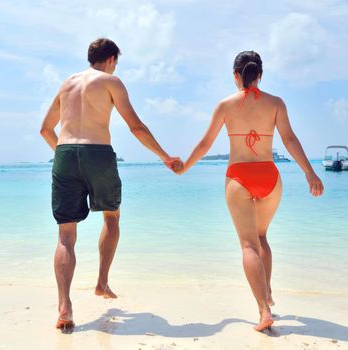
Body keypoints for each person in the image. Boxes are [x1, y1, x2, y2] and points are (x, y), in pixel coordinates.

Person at [40, 38, 182, 330]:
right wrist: (165, 156)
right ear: (112, 59)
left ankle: (64, 306)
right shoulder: (110, 81)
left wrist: (65, 156)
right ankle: (102, 282)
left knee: (66, 236)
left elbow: (45, 129)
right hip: (98, 153)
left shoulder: (67, 84)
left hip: (65, 153)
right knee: (112, 217)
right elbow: (136, 126)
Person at [176, 51, 323, 331]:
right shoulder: (276, 103)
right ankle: (266, 292)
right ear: (260, 75)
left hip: (239, 177)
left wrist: (185, 167)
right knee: (261, 237)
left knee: (248, 244)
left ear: (236, 76)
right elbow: (289, 140)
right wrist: (310, 171)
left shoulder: (225, 105)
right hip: (269, 176)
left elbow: (205, 144)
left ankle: (263, 310)